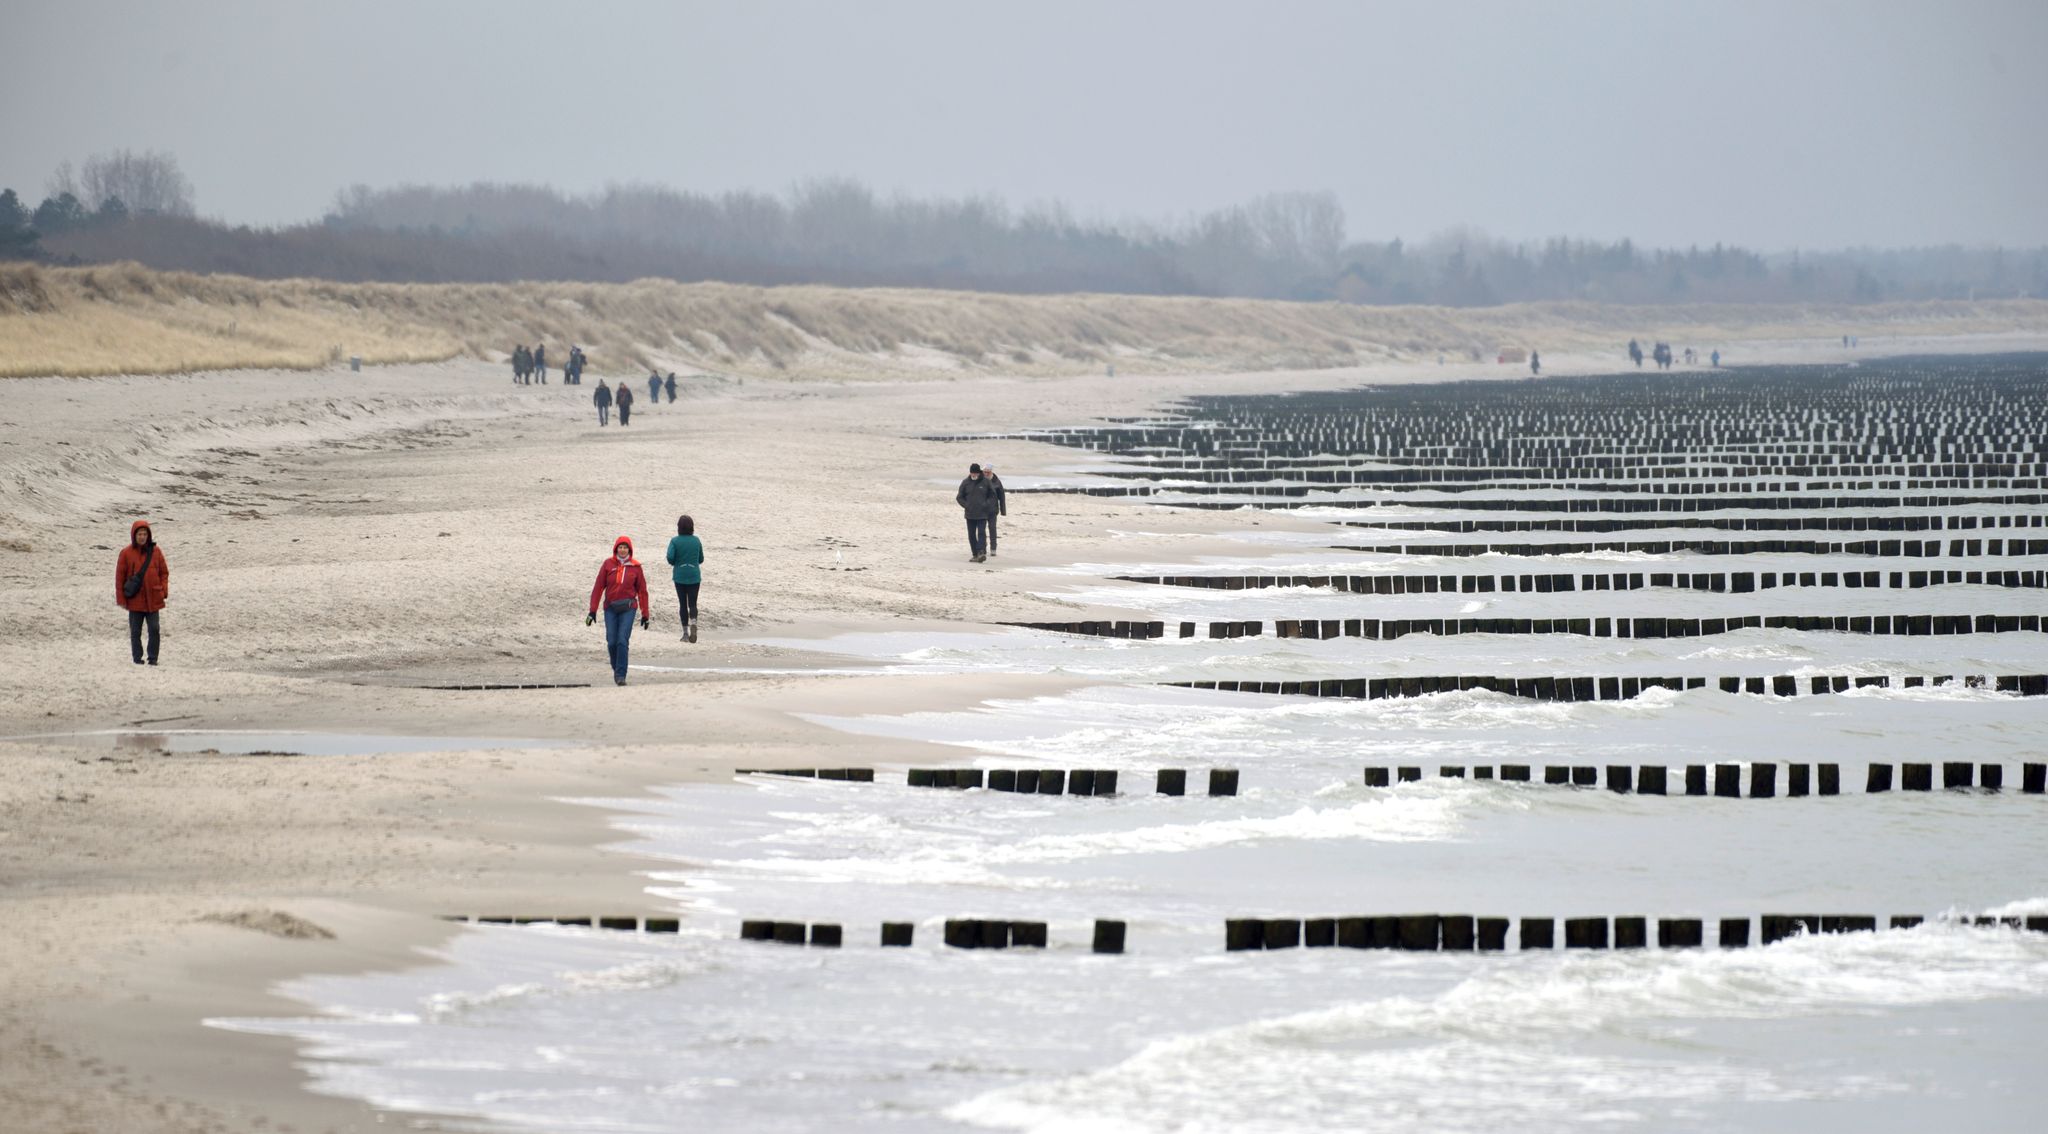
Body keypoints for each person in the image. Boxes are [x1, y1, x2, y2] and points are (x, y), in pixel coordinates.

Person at [586, 536, 651, 685]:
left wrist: (645, 614)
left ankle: (621, 675)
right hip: (610, 608)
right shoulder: (608, 564)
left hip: (628, 608)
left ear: (629, 550)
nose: (622, 550)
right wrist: (592, 610)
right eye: (620, 547)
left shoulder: (636, 567)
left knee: (622, 640)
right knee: (611, 642)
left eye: (625, 547)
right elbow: (598, 587)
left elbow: (642, 592)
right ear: (616, 549)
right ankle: (616, 669)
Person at [115, 519, 169, 665]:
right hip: (135, 599)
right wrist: (121, 599)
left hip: (154, 597)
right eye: (140, 534)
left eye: (145, 534)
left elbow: (164, 572)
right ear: (134, 535)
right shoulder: (126, 553)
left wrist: (163, 591)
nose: (142, 537)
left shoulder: (156, 551)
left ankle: (153, 658)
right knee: (135, 631)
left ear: (148, 535)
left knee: (154, 629)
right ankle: (137, 658)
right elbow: (119, 578)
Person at [666, 514, 705, 642]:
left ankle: (685, 634)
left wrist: (676, 562)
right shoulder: (696, 540)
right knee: (693, 603)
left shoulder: (674, 541)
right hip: (694, 575)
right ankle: (693, 622)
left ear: (679, 527)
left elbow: (670, 557)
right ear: (692, 527)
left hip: (680, 576)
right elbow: (701, 559)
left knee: (683, 604)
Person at [956, 462, 997, 563]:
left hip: (982, 513)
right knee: (971, 535)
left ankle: (981, 552)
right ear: (970, 473)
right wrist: (967, 505)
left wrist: (986, 505)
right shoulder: (965, 482)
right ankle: (975, 554)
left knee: (982, 533)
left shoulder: (986, 482)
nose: (973, 475)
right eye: (972, 473)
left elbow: (992, 496)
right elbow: (959, 497)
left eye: (975, 473)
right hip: (970, 514)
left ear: (979, 473)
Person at [984, 464, 1007, 557]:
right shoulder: (980, 480)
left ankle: (993, 548)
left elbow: (1002, 497)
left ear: (991, 472)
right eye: (984, 472)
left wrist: (1003, 511)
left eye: (987, 472)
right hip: (981, 510)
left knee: (992, 528)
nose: (986, 474)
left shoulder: (997, 482)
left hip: (993, 510)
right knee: (981, 529)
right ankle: (983, 546)